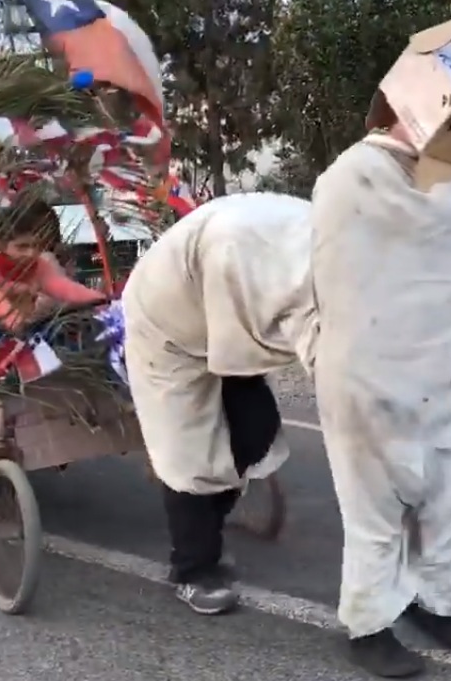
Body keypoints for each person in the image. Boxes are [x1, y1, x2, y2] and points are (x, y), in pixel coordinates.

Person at [308, 89, 451, 677]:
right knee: (374, 511)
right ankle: (367, 625)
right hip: (371, 374)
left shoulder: (449, 183)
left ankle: (434, 601)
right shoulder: (352, 173)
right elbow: (344, 267)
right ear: (400, 114)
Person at [121, 192, 318, 615]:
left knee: (257, 429)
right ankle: (192, 568)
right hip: (167, 333)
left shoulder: (322, 237)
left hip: (217, 323)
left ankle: (207, 522)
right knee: (190, 453)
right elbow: (246, 347)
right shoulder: (234, 248)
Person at [0, 199, 106, 330]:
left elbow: (65, 288)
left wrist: (102, 300)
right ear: (0, 245)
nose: (32, 253)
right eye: (22, 247)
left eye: (35, 245)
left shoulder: (37, 265)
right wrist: (14, 322)